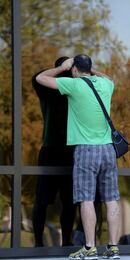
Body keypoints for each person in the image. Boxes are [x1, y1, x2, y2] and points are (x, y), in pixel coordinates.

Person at [36, 54, 121, 260]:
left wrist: (61, 67)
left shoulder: (73, 85)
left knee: (86, 199)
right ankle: (113, 248)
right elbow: (110, 78)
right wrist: (92, 71)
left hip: (86, 149)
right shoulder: (104, 85)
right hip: (108, 150)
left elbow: (40, 78)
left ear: (74, 70)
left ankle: (90, 248)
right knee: (111, 200)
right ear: (89, 69)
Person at [31, 57, 76, 247]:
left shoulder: (76, 89)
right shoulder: (47, 89)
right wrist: (61, 69)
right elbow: (37, 78)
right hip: (51, 149)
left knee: (69, 201)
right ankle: (39, 242)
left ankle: (66, 241)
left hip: (70, 150)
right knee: (42, 200)